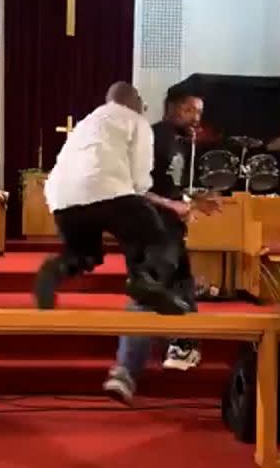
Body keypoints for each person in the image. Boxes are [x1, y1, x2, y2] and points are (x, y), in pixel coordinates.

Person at [102, 89, 221, 404]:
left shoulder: (178, 142)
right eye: (189, 110)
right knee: (147, 294)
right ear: (172, 108)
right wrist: (171, 205)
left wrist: (194, 201)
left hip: (169, 232)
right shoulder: (151, 139)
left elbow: (169, 187)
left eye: (199, 111)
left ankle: (183, 346)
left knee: (182, 288)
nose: (196, 118)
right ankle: (124, 372)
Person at [36, 82, 190, 315]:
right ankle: (143, 280)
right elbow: (140, 181)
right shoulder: (135, 120)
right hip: (107, 191)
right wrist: (165, 203)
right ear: (134, 101)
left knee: (84, 253)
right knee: (155, 236)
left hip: (62, 199)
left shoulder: (86, 122)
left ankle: (56, 269)